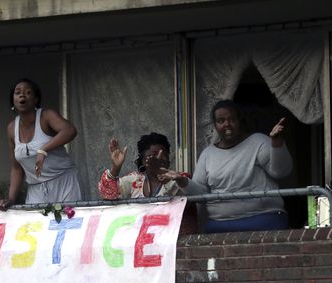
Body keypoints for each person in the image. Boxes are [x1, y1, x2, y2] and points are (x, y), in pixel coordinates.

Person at [192, 99, 293, 233]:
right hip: (220, 224)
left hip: (264, 218)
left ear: (239, 121)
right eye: (221, 121)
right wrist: (181, 181)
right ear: (215, 125)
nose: (227, 125)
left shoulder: (258, 141)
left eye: (232, 119)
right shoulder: (207, 154)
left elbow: (281, 172)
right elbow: (198, 193)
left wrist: (277, 142)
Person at [0, 78, 82, 208]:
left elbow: (70, 130)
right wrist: (11, 199)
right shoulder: (11, 128)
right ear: (13, 100)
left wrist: (43, 149)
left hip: (63, 182)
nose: (22, 95)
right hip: (35, 189)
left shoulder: (46, 116)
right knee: (36, 227)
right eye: (18, 92)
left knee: (68, 226)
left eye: (28, 92)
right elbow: (16, 168)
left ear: (36, 99)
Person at [98, 132, 200, 199]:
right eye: (153, 155)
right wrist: (115, 169)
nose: (159, 158)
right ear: (142, 161)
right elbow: (107, 196)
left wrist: (178, 179)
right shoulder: (135, 181)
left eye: (164, 154)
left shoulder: (178, 178)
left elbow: (198, 196)